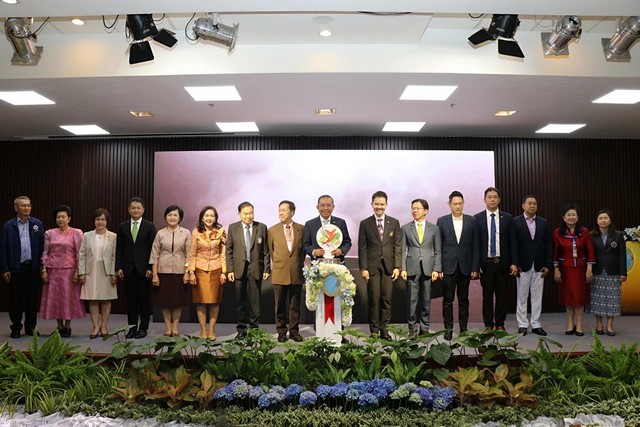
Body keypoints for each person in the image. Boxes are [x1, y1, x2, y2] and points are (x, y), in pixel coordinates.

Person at [436, 191, 480, 341]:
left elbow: (476, 246)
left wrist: (475, 267)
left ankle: (463, 330)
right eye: (455, 204)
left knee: (463, 300)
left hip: (465, 267)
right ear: (449, 204)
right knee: (447, 300)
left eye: (460, 203)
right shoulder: (442, 221)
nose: (457, 206)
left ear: (463, 203)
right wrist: (439, 267)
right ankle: (448, 330)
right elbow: (438, 246)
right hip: (448, 267)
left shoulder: (472, 221)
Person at [358, 191, 402, 340]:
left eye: (382, 204)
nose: (379, 207)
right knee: (374, 299)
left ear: (386, 205)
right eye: (376, 204)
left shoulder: (394, 222)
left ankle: (384, 330)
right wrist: (363, 268)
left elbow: (397, 246)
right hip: (372, 267)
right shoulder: (365, 223)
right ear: (372, 204)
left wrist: (397, 267)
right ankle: (374, 331)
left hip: (389, 267)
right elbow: (362, 247)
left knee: (386, 299)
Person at [474, 187, 518, 333]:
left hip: (502, 263)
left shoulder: (508, 218)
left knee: (502, 296)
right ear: (484, 200)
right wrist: (476, 265)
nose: (492, 199)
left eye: (495, 197)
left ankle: (500, 324)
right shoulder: (477, 218)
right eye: (489, 197)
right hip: (486, 264)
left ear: (499, 200)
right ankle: (488, 325)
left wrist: (514, 262)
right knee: (487, 297)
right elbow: (476, 245)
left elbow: (513, 242)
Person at [0, 196, 45, 338]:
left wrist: (43, 266)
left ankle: (30, 327)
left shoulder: (37, 224)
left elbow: (43, 246)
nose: (27, 208)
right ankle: (16, 328)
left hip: (33, 268)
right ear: (16, 208)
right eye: (23, 205)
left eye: (28, 205)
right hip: (16, 268)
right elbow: (3, 248)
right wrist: (4, 268)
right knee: (16, 300)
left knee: (32, 300)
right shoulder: (9, 226)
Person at [226, 202, 270, 339]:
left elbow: (266, 251)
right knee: (240, 300)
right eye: (245, 213)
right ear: (239, 214)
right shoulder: (233, 228)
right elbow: (229, 250)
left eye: (251, 213)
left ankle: (254, 329)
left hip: (255, 268)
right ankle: (241, 329)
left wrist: (267, 268)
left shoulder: (261, 227)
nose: (249, 216)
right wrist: (230, 270)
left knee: (255, 301)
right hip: (239, 269)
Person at [116, 197, 157, 339]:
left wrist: (151, 267)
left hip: (144, 270)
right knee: (131, 301)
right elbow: (119, 249)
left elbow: (153, 249)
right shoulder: (122, 226)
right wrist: (118, 267)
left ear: (143, 210)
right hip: (128, 269)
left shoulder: (149, 226)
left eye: (138, 208)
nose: (136, 210)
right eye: (133, 208)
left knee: (144, 300)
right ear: (129, 210)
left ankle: (143, 328)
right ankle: (132, 328)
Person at [40, 205, 84, 337]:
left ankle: (67, 326)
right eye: (58, 217)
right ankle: (59, 327)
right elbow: (46, 252)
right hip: (53, 271)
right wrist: (44, 270)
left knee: (68, 299)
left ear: (69, 218)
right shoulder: (49, 233)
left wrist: (78, 271)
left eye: (63, 217)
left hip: (69, 270)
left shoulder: (76, 232)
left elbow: (79, 253)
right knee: (56, 299)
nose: (60, 219)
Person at [401, 198, 441, 339]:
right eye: (413, 208)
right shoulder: (405, 228)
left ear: (426, 211)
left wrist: (436, 269)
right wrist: (403, 268)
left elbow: (438, 250)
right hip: (411, 268)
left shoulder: (434, 228)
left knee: (426, 300)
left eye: (418, 208)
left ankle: (424, 328)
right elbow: (402, 250)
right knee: (411, 301)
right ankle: (412, 329)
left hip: (428, 268)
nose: (414, 211)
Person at [512, 196, 553, 336]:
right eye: (529, 203)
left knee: (537, 297)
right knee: (522, 296)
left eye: (535, 203)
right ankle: (522, 324)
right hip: (522, 265)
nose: (532, 205)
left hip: (539, 265)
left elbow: (548, 244)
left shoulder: (543, 222)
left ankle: (536, 324)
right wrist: (515, 263)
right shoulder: (515, 222)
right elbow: (513, 244)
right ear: (523, 205)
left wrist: (548, 264)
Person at [553, 204, 595, 336]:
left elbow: (590, 251)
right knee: (568, 298)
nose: (571, 217)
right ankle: (570, 323)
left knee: (579, 298)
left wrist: (589, 269)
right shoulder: (558, 232)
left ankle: (580, 324)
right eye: (568, 215)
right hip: (565, 269)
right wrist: (556, 269)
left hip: (580, 270)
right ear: (563, 217)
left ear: (577, 217)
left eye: (573, 215)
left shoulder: (584, 232)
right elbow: (555, 252)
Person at [149, 205, 191, 337]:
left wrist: (187, 272)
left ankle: (175, 328)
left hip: (180, 271)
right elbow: (154, 255)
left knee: (177, 302)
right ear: (165, 217)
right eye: (170, 215)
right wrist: (155, 274)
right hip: (163, 271)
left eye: (175, 215)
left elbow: (189, 254)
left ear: (180, 218)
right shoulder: (160, 233)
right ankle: (168, 329)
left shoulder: (186, 233)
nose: (172, 217)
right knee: (165, 302)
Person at [187, 206, 226, 339]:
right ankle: (203, 330)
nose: (209, 218)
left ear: (215, 218)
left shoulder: (221, 232)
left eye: (212, 216)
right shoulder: (196, 232)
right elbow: (192, 254)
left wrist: (224, 272)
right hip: (199, 269)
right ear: (202, 218)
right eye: (207, 216)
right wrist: (191, 271)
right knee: (201, 301)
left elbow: (223, 254)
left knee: (215, 301)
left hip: (216, 269)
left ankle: (212, 330)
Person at [268, 200, 305, 343]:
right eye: (279, 210)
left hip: (296, 271)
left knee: (295, 306)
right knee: (280, 305)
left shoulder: (301, 229)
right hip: (280, 272)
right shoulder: (272, 230)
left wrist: (297, 264)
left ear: (292, 212)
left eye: (284, 210)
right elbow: (271, 251)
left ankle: (294, 331)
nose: (280, 213)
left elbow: (303, 251)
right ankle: (281, 332)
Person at [78, 208, 118, 339]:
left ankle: (104, 326)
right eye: (97, 219)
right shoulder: (87, 235)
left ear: (107, 221)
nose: (100, 222)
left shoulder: (113, 236)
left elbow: (115, 256)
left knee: (106, 299)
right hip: (90, 270)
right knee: (93, 299)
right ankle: (95, 326)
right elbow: (82, 255)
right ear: (94, 221)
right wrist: (82, 272)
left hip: (107, 271)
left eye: (102, 219)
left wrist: (114, 273)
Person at [590, 209, 627, 336]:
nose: (603, 220)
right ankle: (599, 324)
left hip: (613, 272)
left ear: (610, 220)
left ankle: (610, 325)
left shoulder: (618, 235)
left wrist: (623, 273)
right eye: (600, 218)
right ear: (597, 221)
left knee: (613, 299)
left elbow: (622, 254)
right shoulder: (591, 235)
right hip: (597, 271)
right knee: (597, 299)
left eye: (606, 218)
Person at [302, 194, 352, 262]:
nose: (325, 208)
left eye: (328, 205)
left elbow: (347, 242)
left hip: (337, 263)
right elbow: (305, 245)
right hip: (317, 264)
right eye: (322, 205)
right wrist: (314, 252)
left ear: (333, 207)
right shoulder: (309, 224)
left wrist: (341, 251)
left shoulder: (341, 223)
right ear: (317, 207)